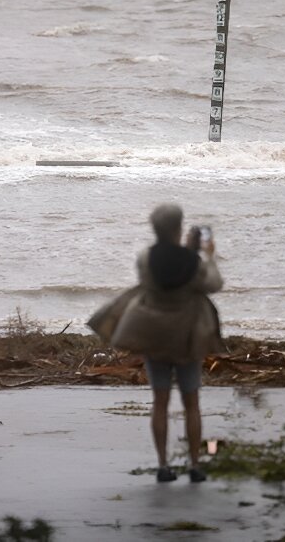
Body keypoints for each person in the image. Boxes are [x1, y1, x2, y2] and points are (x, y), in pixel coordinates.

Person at [88, 203, 225, 483]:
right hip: (187, 339)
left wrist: (185, 251)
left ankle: (163, 465)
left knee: (160, 402)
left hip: (154, 336)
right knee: (192, 403)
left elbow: (156, 278)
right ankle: (195, 465)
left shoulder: (144, 258)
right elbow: (213, 284)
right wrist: (205, 255)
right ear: (179, 228)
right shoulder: (193, 263)